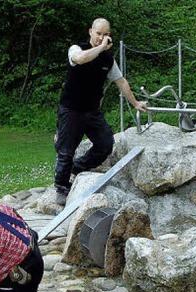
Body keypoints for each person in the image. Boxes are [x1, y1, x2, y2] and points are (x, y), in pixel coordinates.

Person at [54, 18, 147, 205]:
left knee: (105, 144)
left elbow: (121, 81)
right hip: (71, 109)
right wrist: (101, 48)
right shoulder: (76, 49)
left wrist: (135, 103)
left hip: (92, 111)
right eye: (98, 33)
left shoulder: (108, 60)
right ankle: (61, 187)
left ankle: (77, 168)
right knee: (65, 151)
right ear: (90, 32)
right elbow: (81, 59)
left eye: (106, 34)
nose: (101, 37)